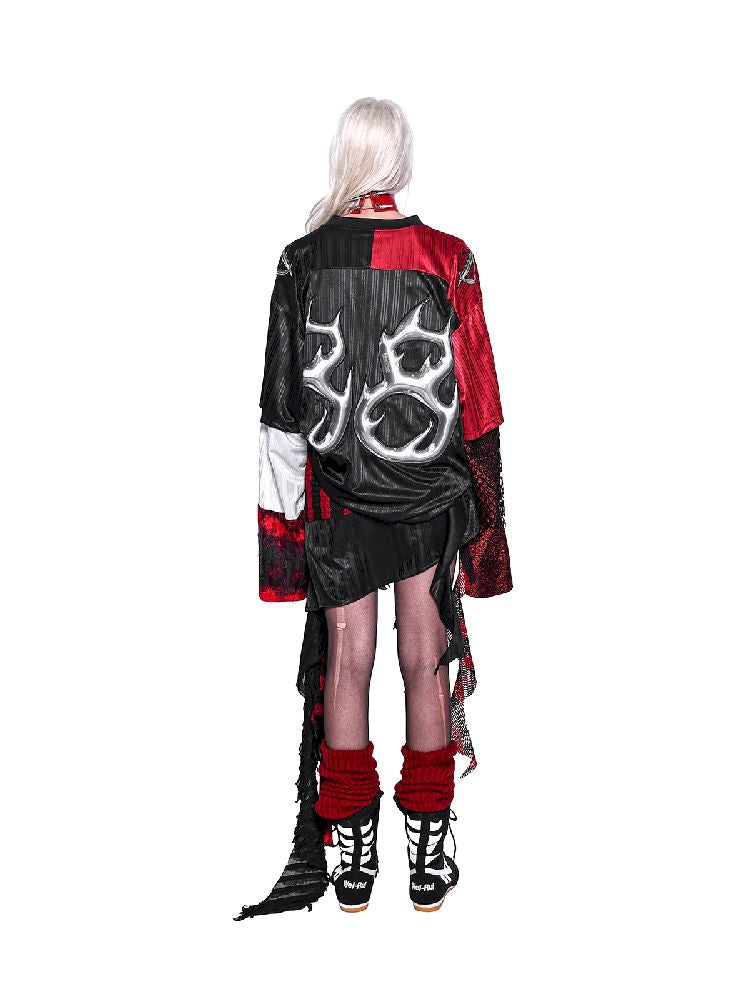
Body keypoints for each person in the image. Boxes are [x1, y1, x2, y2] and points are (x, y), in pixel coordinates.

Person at [235, 97, 511, 919]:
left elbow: (281, 412)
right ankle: (428, 857)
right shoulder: (448, 258)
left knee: (346, 662)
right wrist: (490, 540)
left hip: (340, 500)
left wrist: (280, 544)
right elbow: (480, 407)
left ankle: (352, 862)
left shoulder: (301, 261)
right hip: (430, 496)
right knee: (426, 661)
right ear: (400, 160)